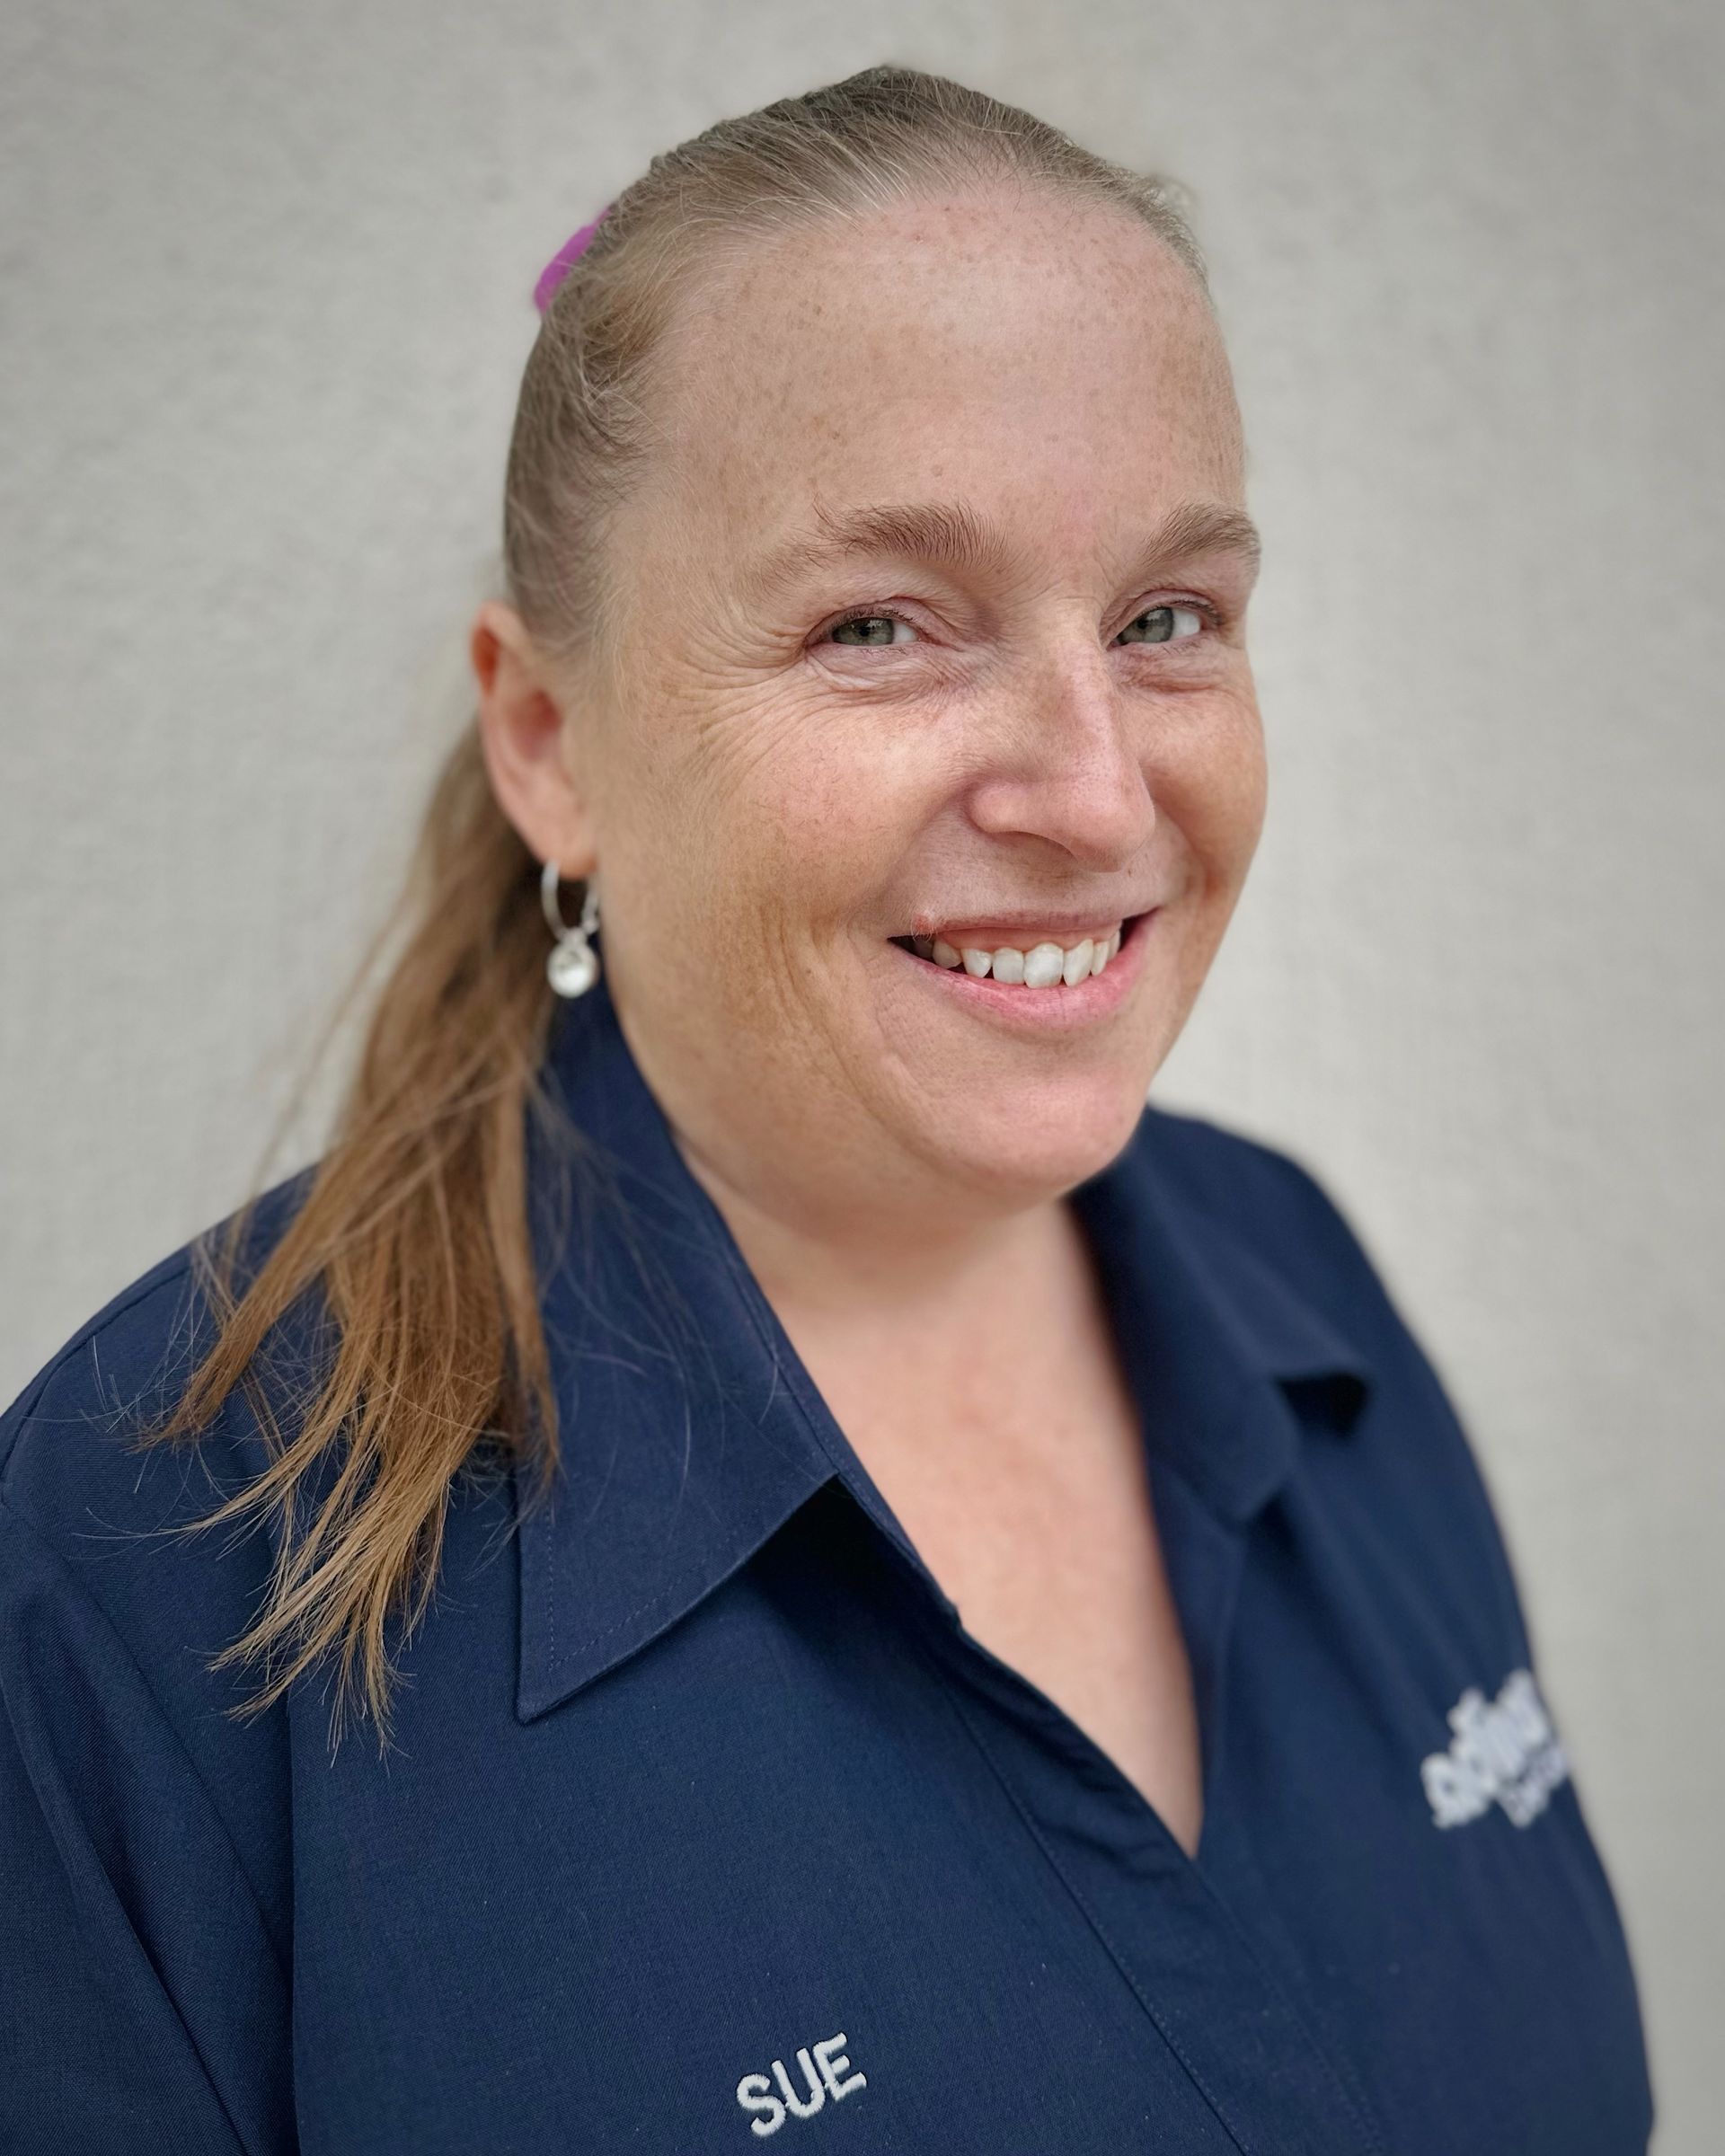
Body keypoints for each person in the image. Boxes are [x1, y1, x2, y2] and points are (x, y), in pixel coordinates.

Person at [0, 62, 1654, 2156]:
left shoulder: (1303, 1290)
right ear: (547, 740)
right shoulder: (151, 1570)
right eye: (883, 625)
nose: (1090, 789)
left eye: (1168, 619)